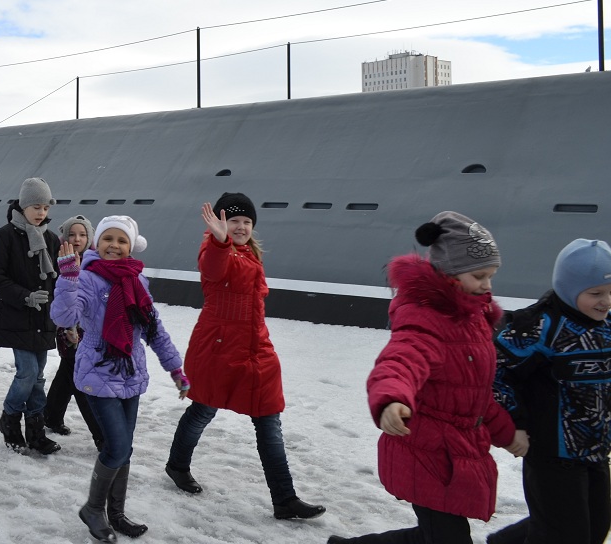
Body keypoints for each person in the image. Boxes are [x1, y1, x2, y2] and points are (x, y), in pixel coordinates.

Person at [327, 211, 525, 544]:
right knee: (447, 537)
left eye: (492, 275)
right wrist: (391, 399)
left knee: (435, 536)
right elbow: (401, 360)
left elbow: (473, 394)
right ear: (450, 273)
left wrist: (507, 434)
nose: (488, 285)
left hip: (456, 450)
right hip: (425, 449)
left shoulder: (473, 318)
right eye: (479, 275)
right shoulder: (425, 316)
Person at [166, 194, 326, 520]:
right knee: (202, 410)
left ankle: (284, 498)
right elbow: (213, 267)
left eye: (246, 222)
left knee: (269, 420)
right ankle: (177, 466)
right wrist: (220, 241)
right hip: (219, 348)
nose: (240, 227)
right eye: (233, 220)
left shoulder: (251, 254)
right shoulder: (216, 250)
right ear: (221, 224)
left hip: (256, 348)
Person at [52, 215, 189, 541]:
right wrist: (68, 278)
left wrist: (176, 369)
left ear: (131, 246)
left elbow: (155, 332)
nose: (114, 245)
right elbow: (64, 316)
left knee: (123, 449)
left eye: (121, 240)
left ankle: (116, 513)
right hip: (97, 372)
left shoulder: (137, 283)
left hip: (130, 374)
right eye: (108, 239)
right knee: (116, 447)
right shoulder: (86, 278)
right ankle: (93, 509)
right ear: (98, 243)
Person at [487, 239, 611, 544]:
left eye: (610, 292)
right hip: (551, 454)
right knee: (566, 534)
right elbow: (495, 372)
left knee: (595, 528)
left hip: (596, 447)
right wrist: (515, 423)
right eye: (595, 293)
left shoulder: (607, 326)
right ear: (569, 288)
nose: (606, 301)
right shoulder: (540, 326)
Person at [0, 177, 62, 456]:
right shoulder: (5, 235)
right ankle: (9, 418)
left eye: (45, 207)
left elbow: (59, 279)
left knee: (38, 377)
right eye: (35, 206)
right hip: (16, 317)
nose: (41, 212)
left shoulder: (51, 239)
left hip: (44, 320)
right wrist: (24, 296)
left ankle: (35, 430)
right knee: (27, 372)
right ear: (23, 205)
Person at [44, 214, 103, 448]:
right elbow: (60, 296)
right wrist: (68, 327)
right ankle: (101, 437)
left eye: (82, 234)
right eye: (71, 234)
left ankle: (51, 415)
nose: (77, 239)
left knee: (67, 374)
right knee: (81, 380)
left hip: (89, 330)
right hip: (68, 329)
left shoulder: (96, 261)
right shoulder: (60, 259)